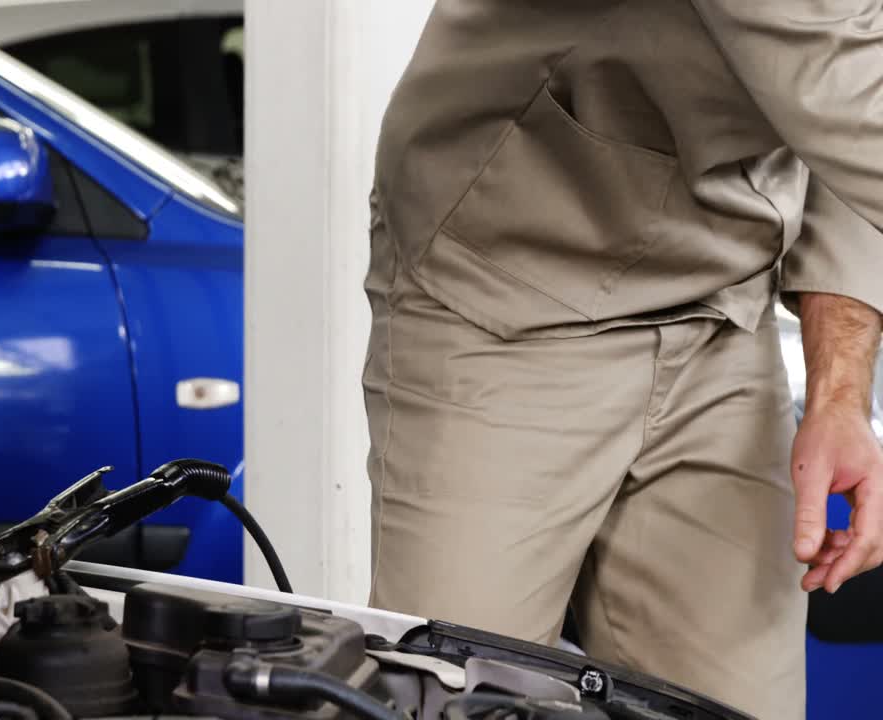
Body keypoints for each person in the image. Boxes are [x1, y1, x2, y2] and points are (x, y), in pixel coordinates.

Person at [363, 3, 883, 718]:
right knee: (459, 693)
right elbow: (848, 84)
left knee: (736, 702)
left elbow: (848, 109)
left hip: (724, 299)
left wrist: (839, 393)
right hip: (506, 289)